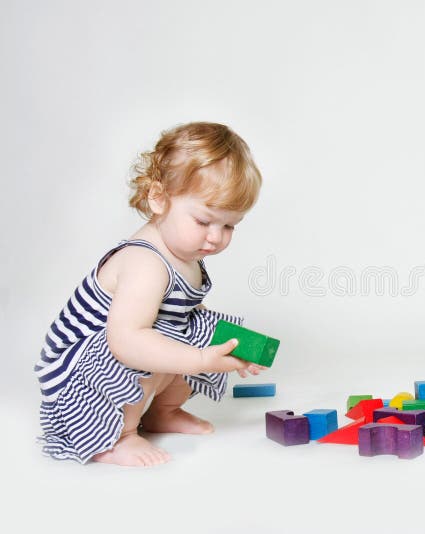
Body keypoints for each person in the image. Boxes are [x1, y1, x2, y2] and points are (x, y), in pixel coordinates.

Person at [34, 122, 265, 466]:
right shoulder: (145, 262)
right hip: (76, 377)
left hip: (120, 346)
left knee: (198, 331)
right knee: (158, 348)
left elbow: (187, 314)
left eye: (229, 225)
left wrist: (238, 346)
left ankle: (162, 412)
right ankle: (115, 438)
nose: (216, 238)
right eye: (204, 222)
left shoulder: (186, 255)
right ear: (159, 199)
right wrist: (200, 359)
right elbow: (125, 340)